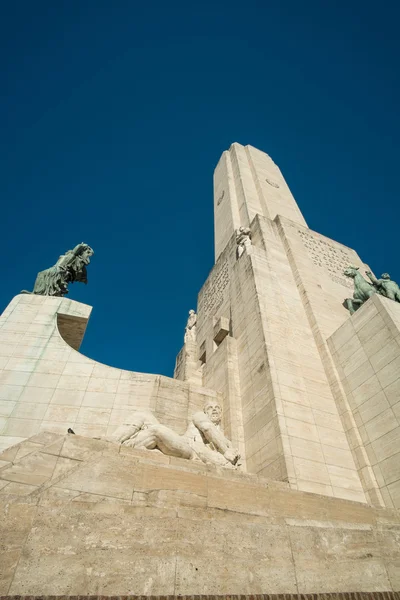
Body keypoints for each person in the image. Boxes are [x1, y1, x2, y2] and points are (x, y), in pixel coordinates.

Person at [106, 400, 240, 468]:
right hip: (185, 444)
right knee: (143, 413)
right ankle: (114, 440)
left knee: (157, 431)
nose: (214, 410)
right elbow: (207, 428)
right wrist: (225, 451)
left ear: (221, 413)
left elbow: (220, 456)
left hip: (191, 453)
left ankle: (126, 445)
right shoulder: (199, 416)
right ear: (205, 412)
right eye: (210, 408)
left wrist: (227, 451)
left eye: (217, 408)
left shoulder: (226, 441)